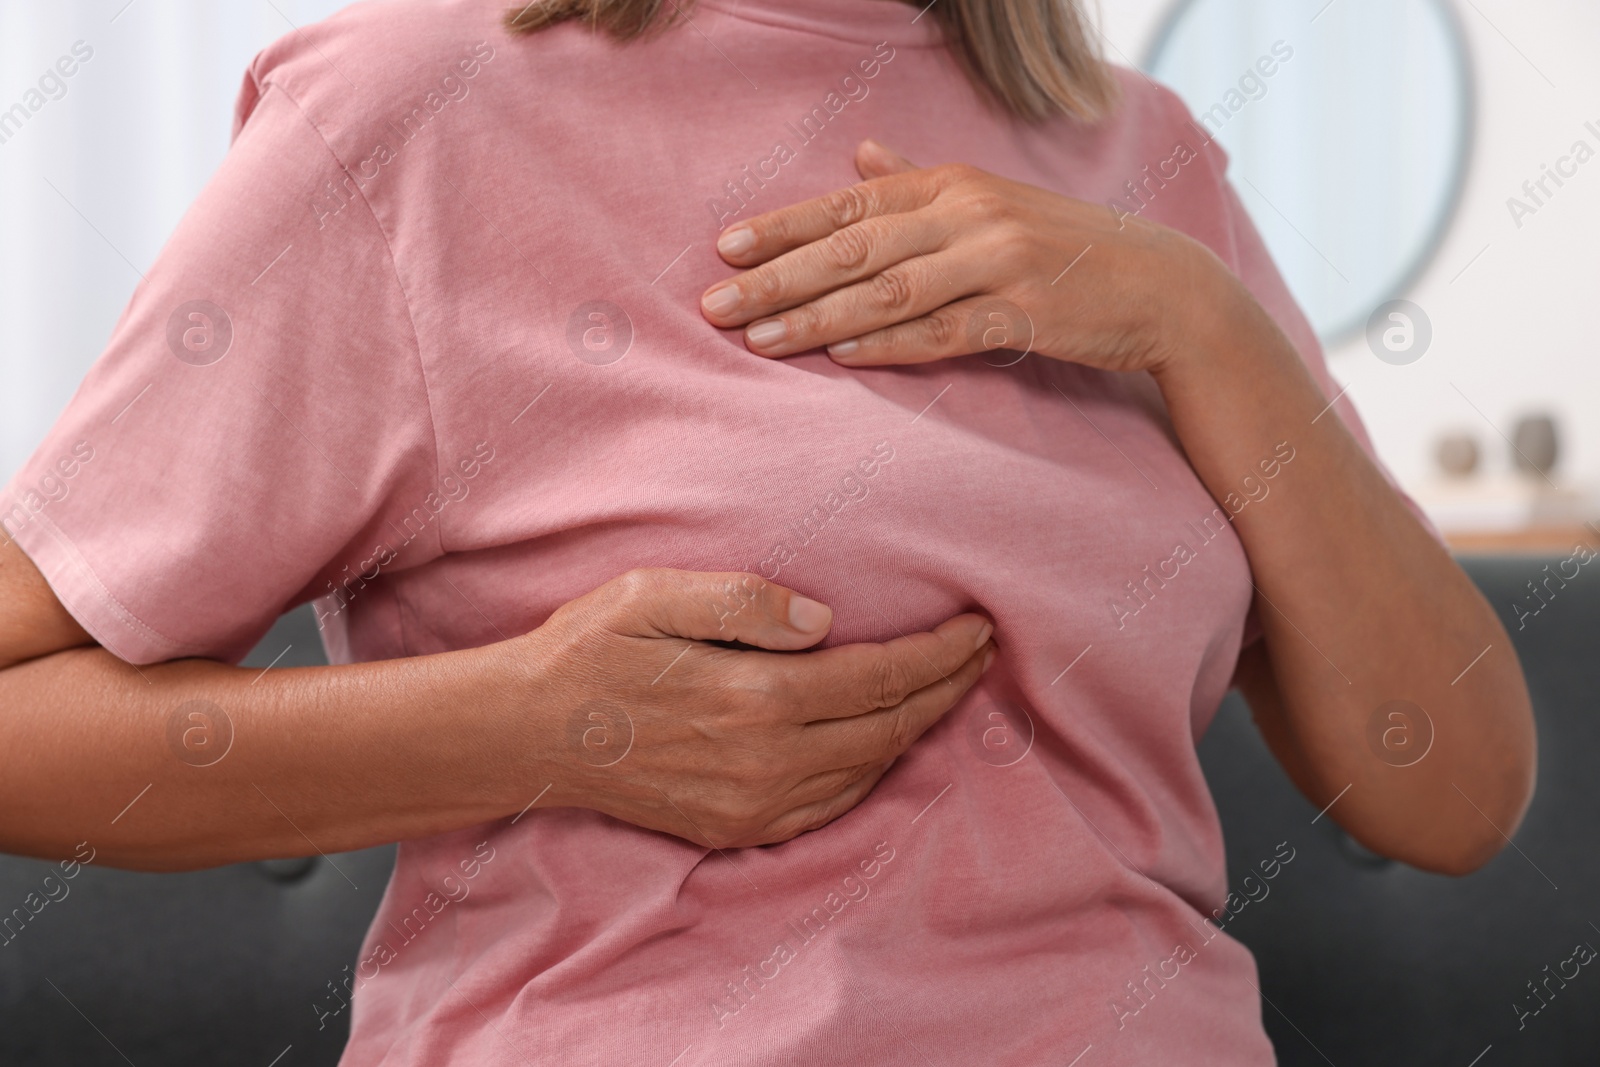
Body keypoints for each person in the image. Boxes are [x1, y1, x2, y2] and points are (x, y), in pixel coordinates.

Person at [0, 0, 1534, 1062]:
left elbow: (1452, 795)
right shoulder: (402, 107)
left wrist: (1202, 322)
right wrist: (536, 728)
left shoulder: (1149, 155)